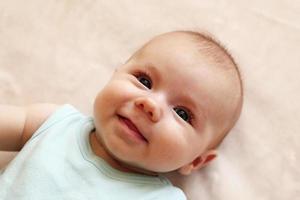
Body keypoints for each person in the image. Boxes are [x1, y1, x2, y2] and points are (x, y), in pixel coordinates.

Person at [0, 30, 243, 200]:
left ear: (196, 161)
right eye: (144, 80)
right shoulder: (54, 123)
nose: (150, 104)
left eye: (182, 113)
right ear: (115, 74)